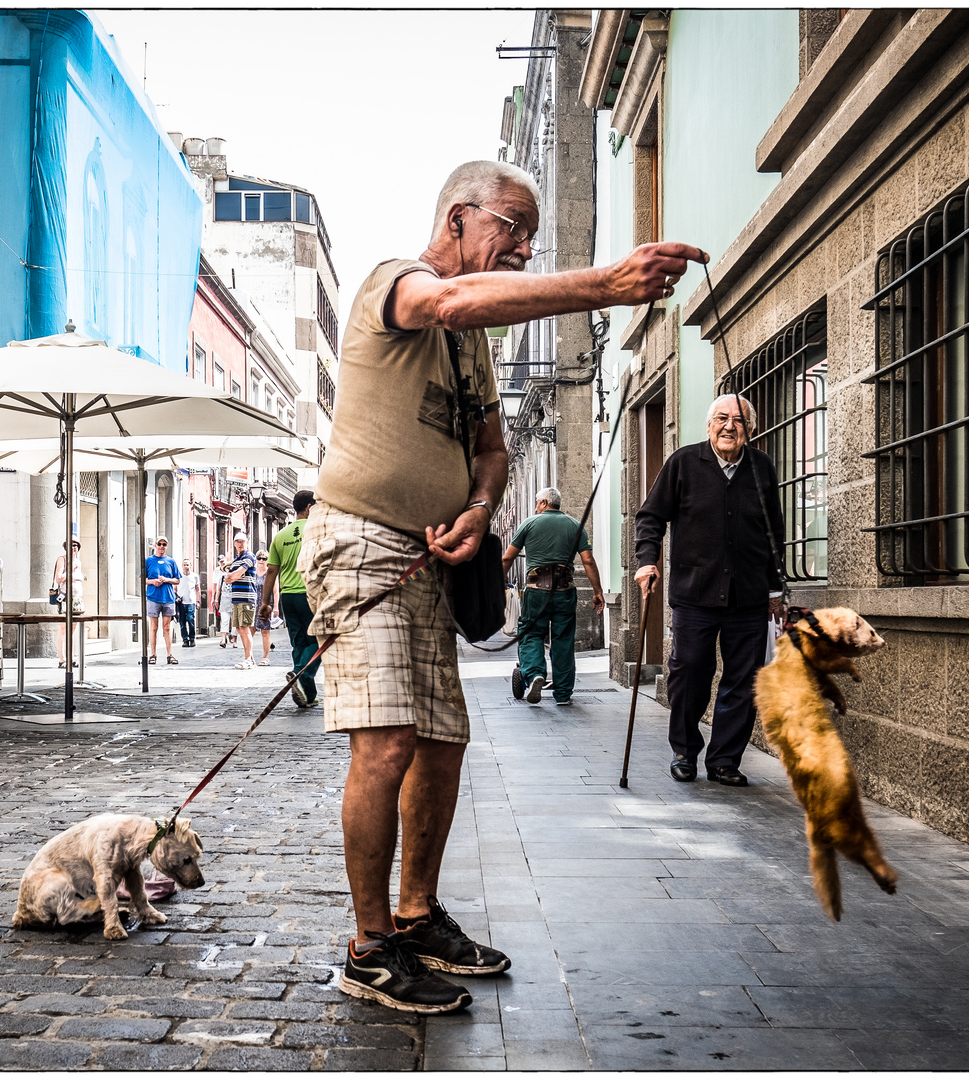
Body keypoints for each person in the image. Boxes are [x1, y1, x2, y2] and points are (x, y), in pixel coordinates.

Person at [296, 157, 706, 1014]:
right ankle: (368, 948)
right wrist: (607, 285)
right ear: (457, 220)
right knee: (385, 743)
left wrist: (482, 508)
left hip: (433, 556)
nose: (522, 247)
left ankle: (414, 920)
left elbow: (491, 449)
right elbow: (446, 301)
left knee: (442, 742)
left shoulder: (473, 345)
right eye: (509, 229)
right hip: (359, 542)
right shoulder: (396, 284)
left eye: (529, 234)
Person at [634, 393, 786, 788]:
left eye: (738, 420)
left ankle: (724, 761)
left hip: (749, 597)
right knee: (689, 675)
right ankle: (684, 751)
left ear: (750, 430)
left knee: (743, 680)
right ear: (709, 425)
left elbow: (775, 534)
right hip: (694, 595)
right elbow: (650, 517)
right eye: (721, 418)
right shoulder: (683, 463)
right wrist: (647, 560)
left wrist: (776, 588)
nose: (729, 426)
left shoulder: (763, 469)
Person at [501, 487, 605, 705]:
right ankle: (563, 694)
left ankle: (535, 674)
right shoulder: (575, 525)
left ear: (545, 503)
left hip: (536, 591)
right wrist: (597, 591)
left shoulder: (529, 524)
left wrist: (497, 586)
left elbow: (507, 558)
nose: (536, 506)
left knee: (530, 634)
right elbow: (588, 561)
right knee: (563, 640)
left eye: (538, 502)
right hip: (564, 590)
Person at [260, 489, 320, 708]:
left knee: (299, 643)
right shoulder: (317, 531)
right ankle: (299, 674)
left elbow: (271, 572)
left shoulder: (280, 536)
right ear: (309, 508)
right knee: (318, 640)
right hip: (311, 594)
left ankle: (308, 695)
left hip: (288, 597)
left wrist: (265, 603)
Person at [144, 537, 182, 665]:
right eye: (159, 544)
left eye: (164, 544)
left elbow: (177, 579)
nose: (161, 546)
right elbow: (142, 579)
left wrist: (166, 579)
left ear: (167, 546)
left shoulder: (171, 561)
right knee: (153, 627)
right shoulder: (149, 560)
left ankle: (169, 654)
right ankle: (153, 654)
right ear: (155, 545)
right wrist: (153, 582)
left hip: (168, 597)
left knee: (166, 627)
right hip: (153, 597)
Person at [224, 533, 258, 669]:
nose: (240, 544)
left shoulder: (249, 557)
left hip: (247, 597)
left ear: (247, 542)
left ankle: (248, 659)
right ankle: (251, 659)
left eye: (242, 541)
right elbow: (227, 578)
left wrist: (233, 576)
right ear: (234, 543)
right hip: (236, 597)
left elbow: (237, 573)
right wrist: (232, 576)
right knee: (239, 628)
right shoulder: (236, 559)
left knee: (245, 627)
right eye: (237, 541)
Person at [51, 539, 85, 669]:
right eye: (71, 545)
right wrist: (70, 570)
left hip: (77, 598)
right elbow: (59, 578)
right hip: (65, 597)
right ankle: (62, 658)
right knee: (64, 627)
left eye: (76, 545)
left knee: (73, 628)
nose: (74, 547)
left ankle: (71, 657)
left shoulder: (78, 562)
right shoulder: (62, 560)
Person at [252, 551, 276, 665]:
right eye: (259, 558)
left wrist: (276, 607)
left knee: (265, 631)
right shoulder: (252, 572)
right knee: (250, 630)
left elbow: (275, 591)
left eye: (264, 558)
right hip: (252, 604)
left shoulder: (270, 573)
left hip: (266, 605)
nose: (261, 560)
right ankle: (248, 656)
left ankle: (266, 657)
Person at [176, 558, 199, 647]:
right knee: (182, 622)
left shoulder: (195, 576)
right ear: (182, 566)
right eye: (184, 565)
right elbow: (175, 588)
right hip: (181, 602)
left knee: (190, 620)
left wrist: (197, 601)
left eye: (187, 565)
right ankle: (185, 640)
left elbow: (197, 589)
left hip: (191, 602)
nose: (186, 567)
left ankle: (192, 638)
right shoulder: (179, 576)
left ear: (190, 566)